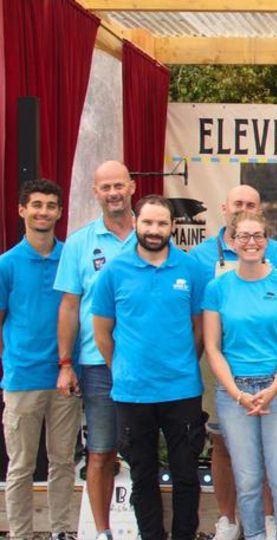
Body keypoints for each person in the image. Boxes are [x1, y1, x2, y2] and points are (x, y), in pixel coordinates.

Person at [91, 195, 209, 540]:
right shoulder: (114, 272)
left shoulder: (191, 270)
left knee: (186, 473)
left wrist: (184, 364)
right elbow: (102, 333)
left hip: (182, 390)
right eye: (148, 223)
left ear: (173, 227)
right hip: (132, 392)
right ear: (136, 223)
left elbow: (199, 328)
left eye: (162, 223)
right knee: (142, 475)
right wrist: (125, 368)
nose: (155, 230)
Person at [189, 184, 277, 540]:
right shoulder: (201, 255)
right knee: (222, 443)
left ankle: (267, 518)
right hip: (219, 362)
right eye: (237, 204)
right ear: (224, 208)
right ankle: (228, 519)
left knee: (266, 451)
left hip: (270, 367)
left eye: (251, 204)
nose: (242, 209)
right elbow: (197, 315)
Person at [54, 160, 136, 540]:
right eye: (106, 187)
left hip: (145, 366)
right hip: (97, 364)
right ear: (96, 193)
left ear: (132, 186)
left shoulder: (152, 233)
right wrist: (66, 363)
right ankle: (103, 532)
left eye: (119, 185)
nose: (113, 193)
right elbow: (70, 306)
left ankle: (144, 527)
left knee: (144, 453)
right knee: (101, 452)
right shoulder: (80, 242)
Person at [0, 179, 80, 540]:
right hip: (22, 379)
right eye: (36, 205)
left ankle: (62, 531)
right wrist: (13, 360)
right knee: (20, 467)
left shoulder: (72, 258)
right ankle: (20, 534)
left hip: (65, 379)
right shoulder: (7, 264)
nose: (43, 211)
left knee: (63, 463)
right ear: (21, 210)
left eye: (50, 205)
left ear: (60, 212)